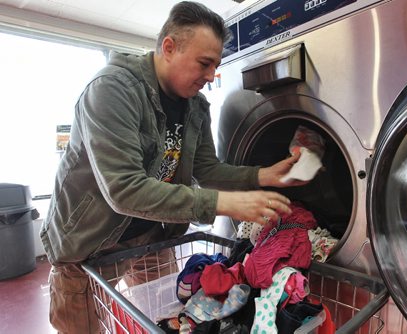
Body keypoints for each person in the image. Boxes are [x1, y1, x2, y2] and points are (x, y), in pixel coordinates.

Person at [40, 2, 307, 333]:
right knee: (81, 328)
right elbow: (123, 189)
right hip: (90, 241)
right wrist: (223, 203)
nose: (211, 76)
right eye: (204, 63)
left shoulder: (196, 106)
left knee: (168, 320)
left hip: (152, 233)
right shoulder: (113, 90)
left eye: (216, 66)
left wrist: (264, 175)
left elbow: (206, 169)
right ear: (169, 47)